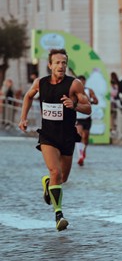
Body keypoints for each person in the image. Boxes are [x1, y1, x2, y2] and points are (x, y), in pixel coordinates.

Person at [18, 49, 91, 231]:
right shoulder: (40, 83)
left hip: (67, 136)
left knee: (62, 178)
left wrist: (74, 105)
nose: (61, 66)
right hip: (48, 136)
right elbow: (28, 96)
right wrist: (23, 118)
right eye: (57, 62)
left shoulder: (74, 84)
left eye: (64, 62)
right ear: (50, 65)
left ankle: (48, 183)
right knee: (55, 171)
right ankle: (59, 215)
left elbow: (88, 107)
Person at [75, 75, 99, 166]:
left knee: (85, 137)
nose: (81, 83)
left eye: (83, 81)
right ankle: (80, 156)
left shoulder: (89, 91)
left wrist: (90, 102)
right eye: (79, 81)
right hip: (78, 117)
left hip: (87, 117)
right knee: (78, 135)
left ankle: (83, 151)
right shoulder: (74, 91)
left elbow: (96, 101)